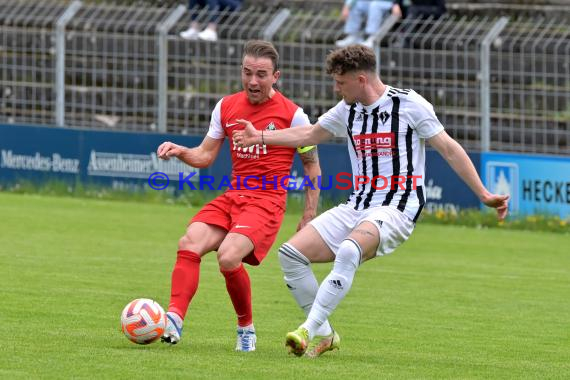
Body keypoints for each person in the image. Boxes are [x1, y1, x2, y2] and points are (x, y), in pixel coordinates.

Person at [232, 44, 509, 358]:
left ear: (360, 79)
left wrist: (484, 194)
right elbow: (308, 134)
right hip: (358, 205)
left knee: (349, 249)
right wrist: (261, 137)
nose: (336, 88)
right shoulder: (346, 109)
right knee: (291, 255)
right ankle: (326, 334)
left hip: (398, 207)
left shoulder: (408, 104)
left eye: (340, 82)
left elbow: (448, 148)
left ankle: (307, 329)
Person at [156, 40, 321, 352]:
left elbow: (312, 166)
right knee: (189, 242)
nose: (253, 81)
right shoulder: (226, 106)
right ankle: (174, 319)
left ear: (276, 76)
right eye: (247, 73)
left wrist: (308, 215)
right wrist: (180, 152)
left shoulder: (294, 115)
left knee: (228, 256)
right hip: (234, 196)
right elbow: (205, 156)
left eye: (261, 74)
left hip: (266, 202)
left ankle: (246, 327)